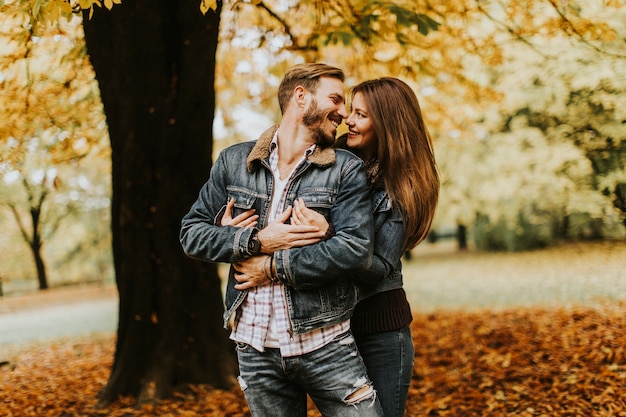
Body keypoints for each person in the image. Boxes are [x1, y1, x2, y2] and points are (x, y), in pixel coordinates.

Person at [179, 63, 384, 417]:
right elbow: (191, 234)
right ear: (300, 97)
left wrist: (272, 267)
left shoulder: (345, 169)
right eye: (335, 99)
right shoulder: (233, 162)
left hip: (325, 343)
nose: (343, 112)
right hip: (254, 349)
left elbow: (354, 249)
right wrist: (257, 240)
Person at [341, 77, 440, 417]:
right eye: (350, 111)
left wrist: (326, 238)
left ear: (386, 123)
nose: (348, 120)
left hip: (381, 328)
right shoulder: (334, 161)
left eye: (360, 115)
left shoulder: (404, 184)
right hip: (333, 326)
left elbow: (378, 266)